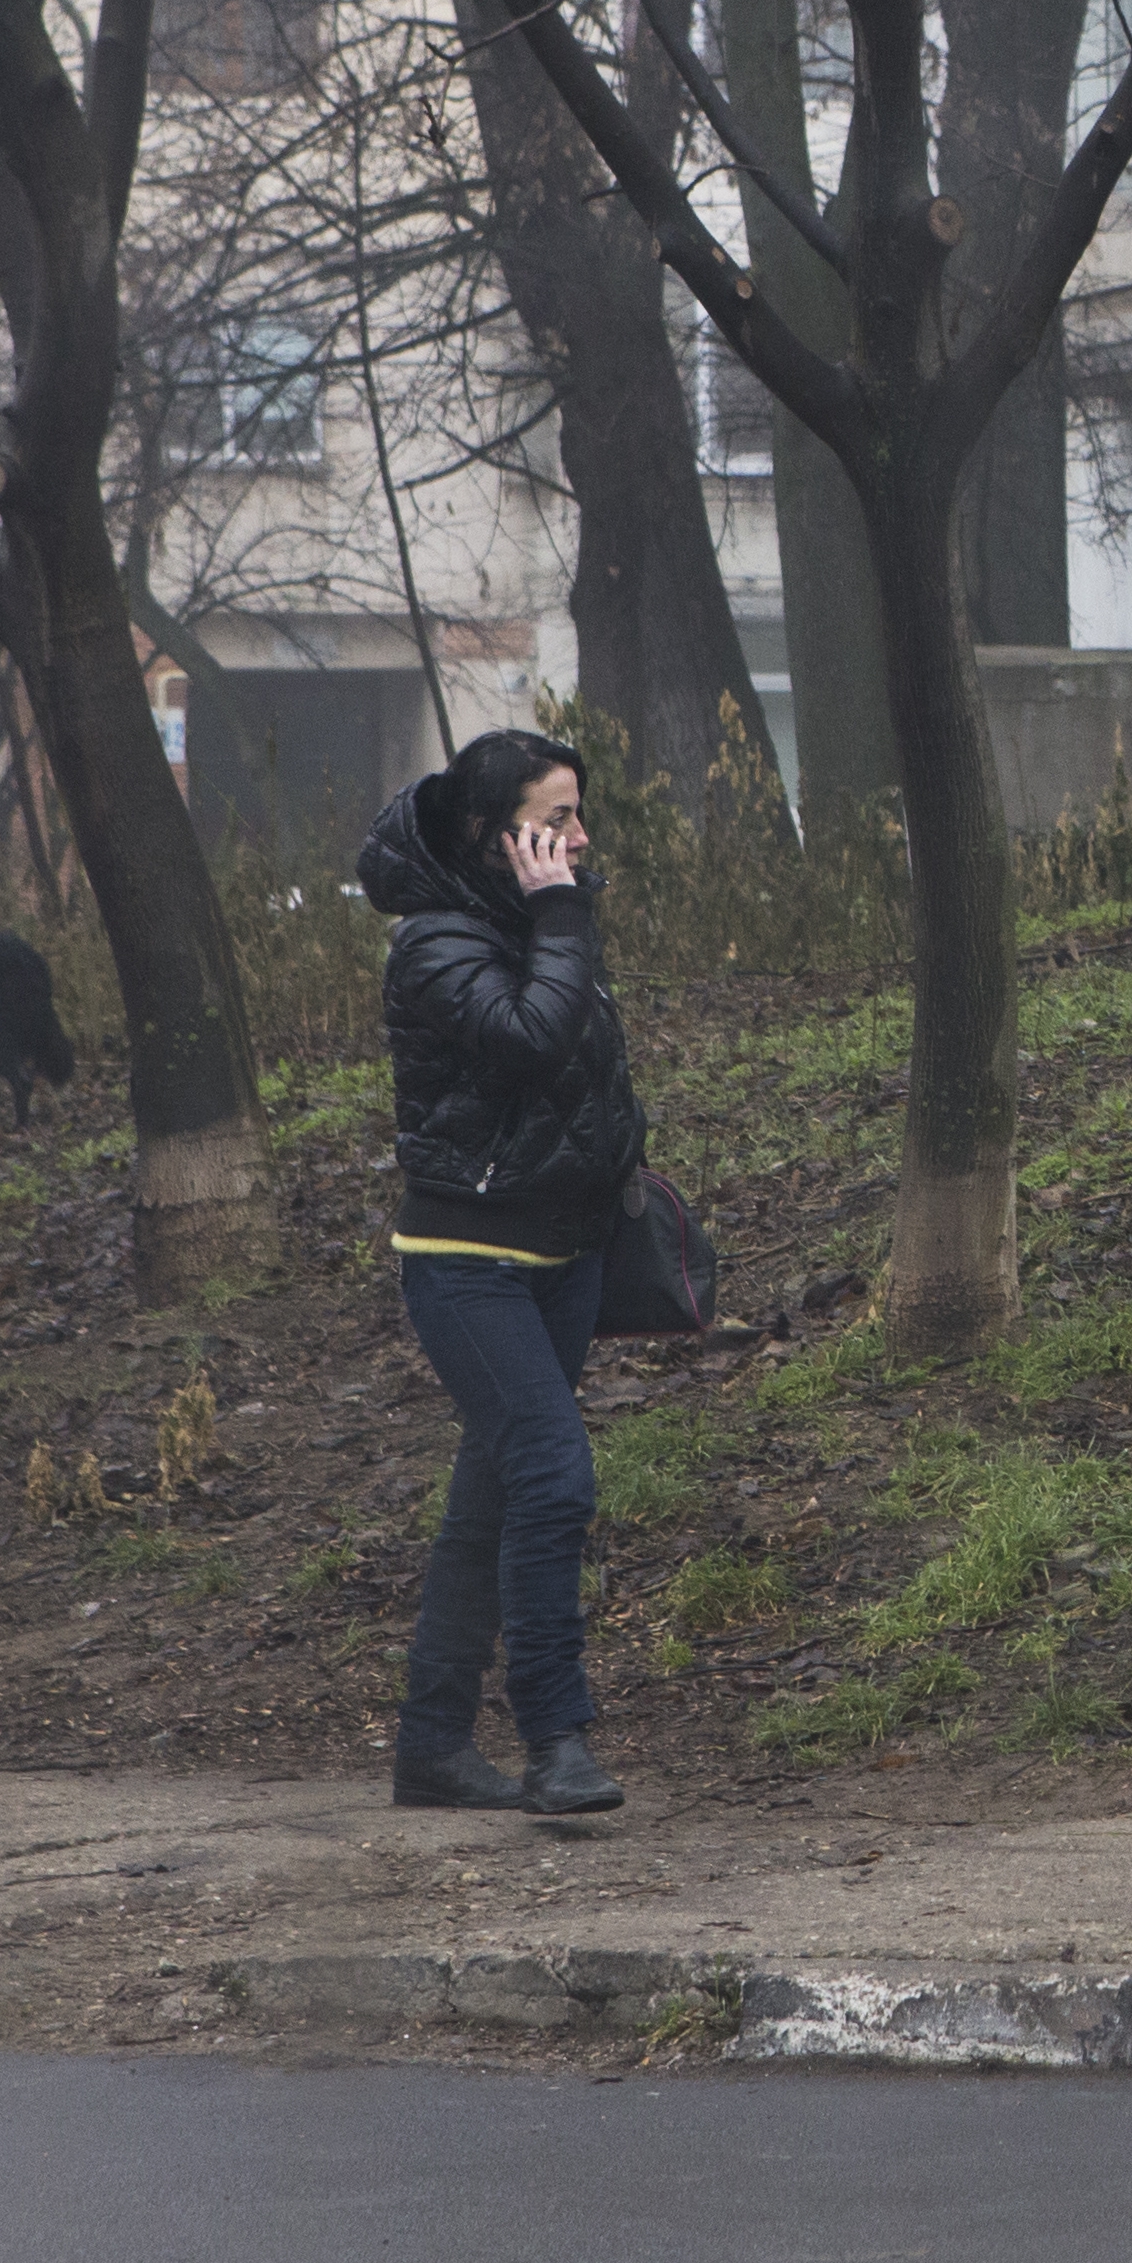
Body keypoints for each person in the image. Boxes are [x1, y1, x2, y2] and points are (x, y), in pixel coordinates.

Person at [356, 728, 642, 1815]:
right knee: (554, 1479)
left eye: (578, 816)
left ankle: (432, 1747)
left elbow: (584, 1078)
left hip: (564, 1255)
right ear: (489, 832)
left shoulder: (537, 917)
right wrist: (562, 914)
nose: (579, 838)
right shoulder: (436, 943)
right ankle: (556, 1742)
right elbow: (528, 1038)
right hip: (468, 1261)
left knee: (490, 1500)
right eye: (554, 820)